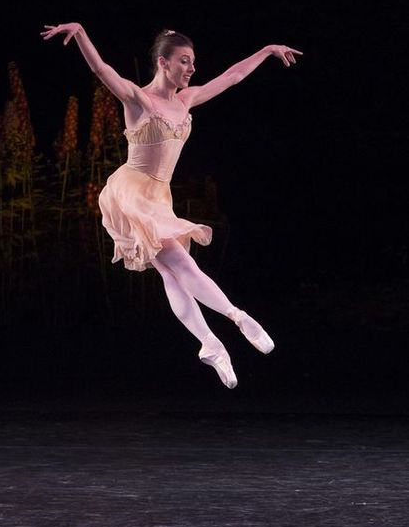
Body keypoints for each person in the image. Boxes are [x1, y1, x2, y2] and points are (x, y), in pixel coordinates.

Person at [41, 23, 303, 389]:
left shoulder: (186, 99)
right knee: (181, 262)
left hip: (159, 196)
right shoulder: (138, 100)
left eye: (193, 61)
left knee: (169, 271)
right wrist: (82, 33)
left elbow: (233, 76)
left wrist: (267, 48)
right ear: (163, 63)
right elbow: (102, 70)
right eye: (184, 61)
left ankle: (210, 343)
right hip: (131, 191)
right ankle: (238, 317)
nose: (192, 68)